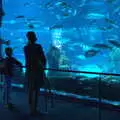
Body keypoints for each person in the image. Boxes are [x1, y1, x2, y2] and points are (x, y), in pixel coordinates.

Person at [24, 31, 46, 115]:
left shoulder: (25, 47)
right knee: (36, 90)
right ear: (34, 37)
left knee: (30, 90)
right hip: (37, 71)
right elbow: (43, 58)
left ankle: (31, 109)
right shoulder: (38, 46)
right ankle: (35, 109)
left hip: (29, 71)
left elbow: (28, 59)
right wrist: (43, 67)